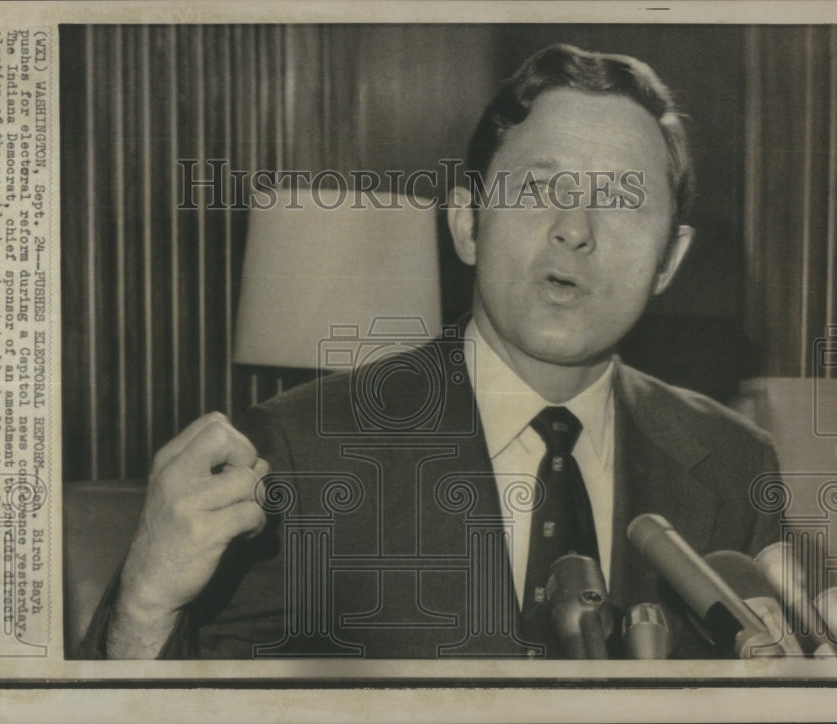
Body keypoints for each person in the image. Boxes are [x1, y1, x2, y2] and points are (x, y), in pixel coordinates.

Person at [81, 43, 781, 660]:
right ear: (467, 223)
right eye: (539, 187)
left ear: (669, 260)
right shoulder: (300, 450)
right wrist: (145, 606)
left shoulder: (735, 466)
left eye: (624, 200)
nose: (575, 230)